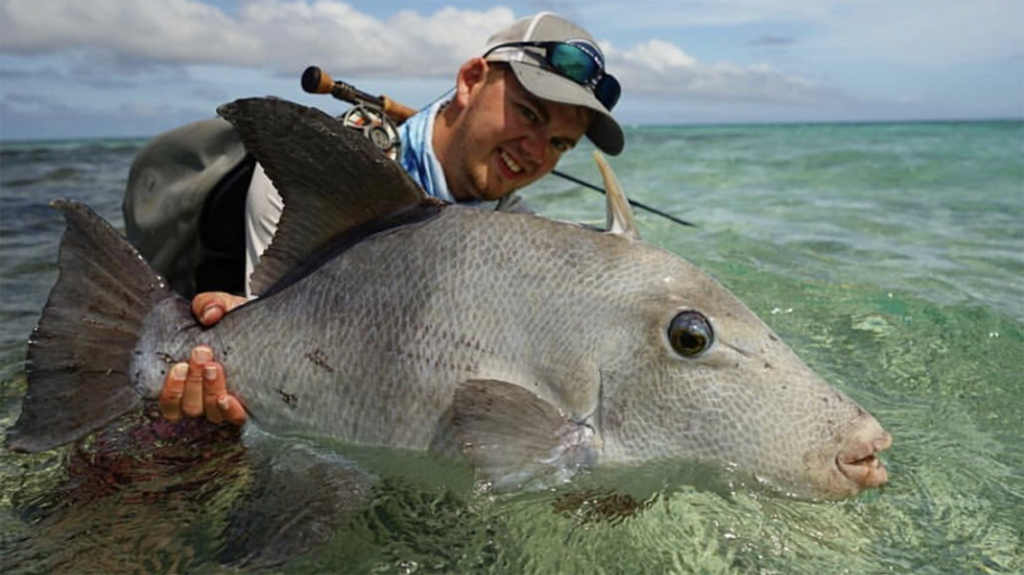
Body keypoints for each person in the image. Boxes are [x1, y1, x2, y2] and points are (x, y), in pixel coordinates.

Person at [155, 11, 625, 426]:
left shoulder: (520, 231)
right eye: (528, 113)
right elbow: (284, 353)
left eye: (561, 143)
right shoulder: (325, 172)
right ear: (469, 79)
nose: (536, 151)